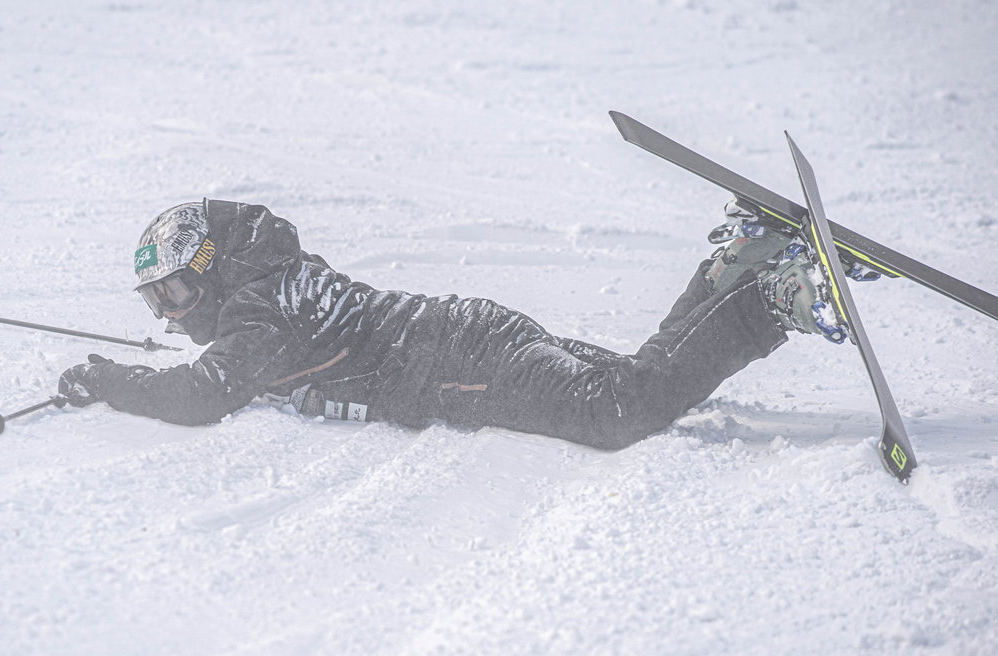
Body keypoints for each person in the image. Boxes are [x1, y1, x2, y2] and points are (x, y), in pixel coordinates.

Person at [58, 198, 849, 450]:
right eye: (154, 304)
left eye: (170, 295)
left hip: (466, 363)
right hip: (470, 335)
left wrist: (108, 380)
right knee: (632, 381)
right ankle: (736, 265)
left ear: (208, 268)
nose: (168, 315)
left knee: (620, 413)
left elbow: (202, 393)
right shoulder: (268, 284)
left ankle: (767, 301)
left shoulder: (261, 311)